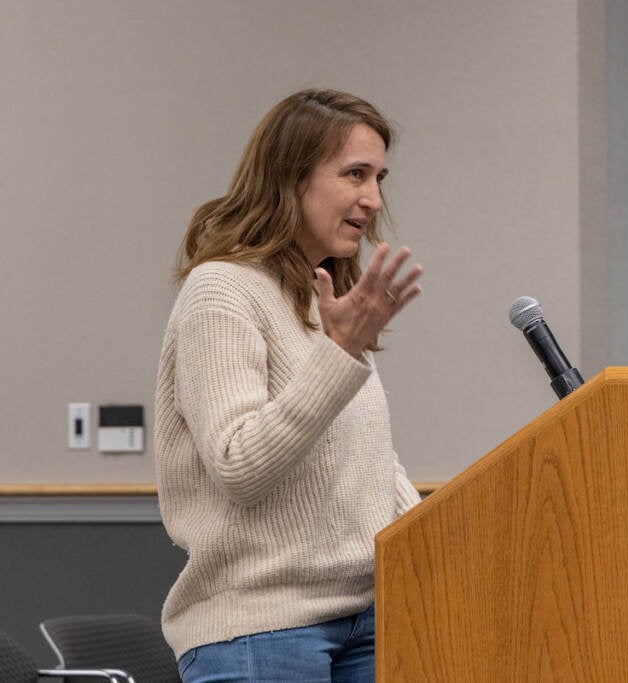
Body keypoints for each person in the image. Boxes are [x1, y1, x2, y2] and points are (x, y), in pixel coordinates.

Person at [154, 88, 423, 683]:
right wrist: (340, 353)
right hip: (260, 628)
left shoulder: (322, 300)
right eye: (355, 174)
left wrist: (444, 536)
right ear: (290, 177)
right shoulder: (220, 291)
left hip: (368, 616)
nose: (373, 199)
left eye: (379, 177)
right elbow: (241, 467)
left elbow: (368, 463)